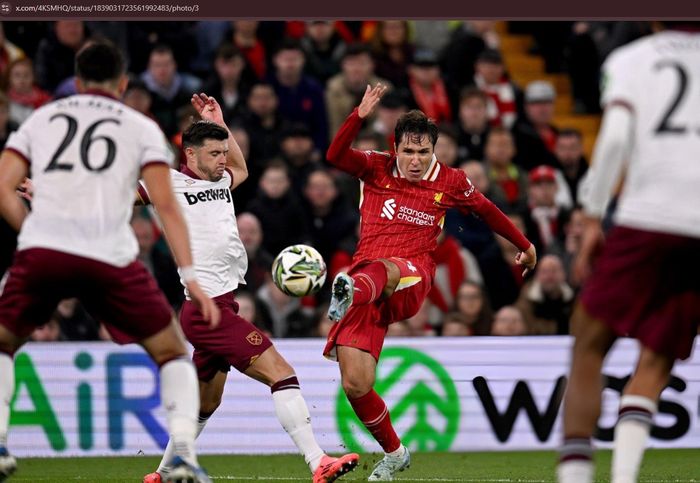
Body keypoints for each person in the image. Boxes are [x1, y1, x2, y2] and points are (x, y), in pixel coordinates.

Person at [0, 41, 219, 483]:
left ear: (77, 82)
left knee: (3, 343)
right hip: (110, 254)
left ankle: (1, 444)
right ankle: (181, 459)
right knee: (173, 351)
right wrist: (192, 278)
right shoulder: (140, 126)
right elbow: (167, 206)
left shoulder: (40, 118)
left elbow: (4, 186)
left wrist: (32, 231)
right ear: (121, 84)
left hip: (45, 247)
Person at [139, 94, 358, 483]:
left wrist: (220, 123)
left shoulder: (221, 179)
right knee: (282, 373)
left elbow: (240, 166)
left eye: (224, 151)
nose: (223, 159)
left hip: (222, 306)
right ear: (189, 154)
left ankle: (161, 474)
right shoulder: (166, 184)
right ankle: (317, 460)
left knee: (207, 403)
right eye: (214, 153)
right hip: (207, 311)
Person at [323, 83, 536, 481]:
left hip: (411, 275)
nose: (416, 160)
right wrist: (359, 116)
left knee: (382, 268)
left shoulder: (451, 182)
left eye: (423, 152)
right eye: (408, 151)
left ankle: (349, 290)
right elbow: (334, 155)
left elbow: (488, 212)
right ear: (396, 148)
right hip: (367, 286)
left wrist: (524, 244)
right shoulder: (375, 166)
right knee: (356, 384)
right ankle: (395, 452)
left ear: (434, 150)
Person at [557, 23, 700, 483]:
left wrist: (594, 214)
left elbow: (616, 140)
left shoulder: (632, 60)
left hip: (646, 216)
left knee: (589, 344)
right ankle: (624, 477)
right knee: (657, 354)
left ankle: (576, 477)